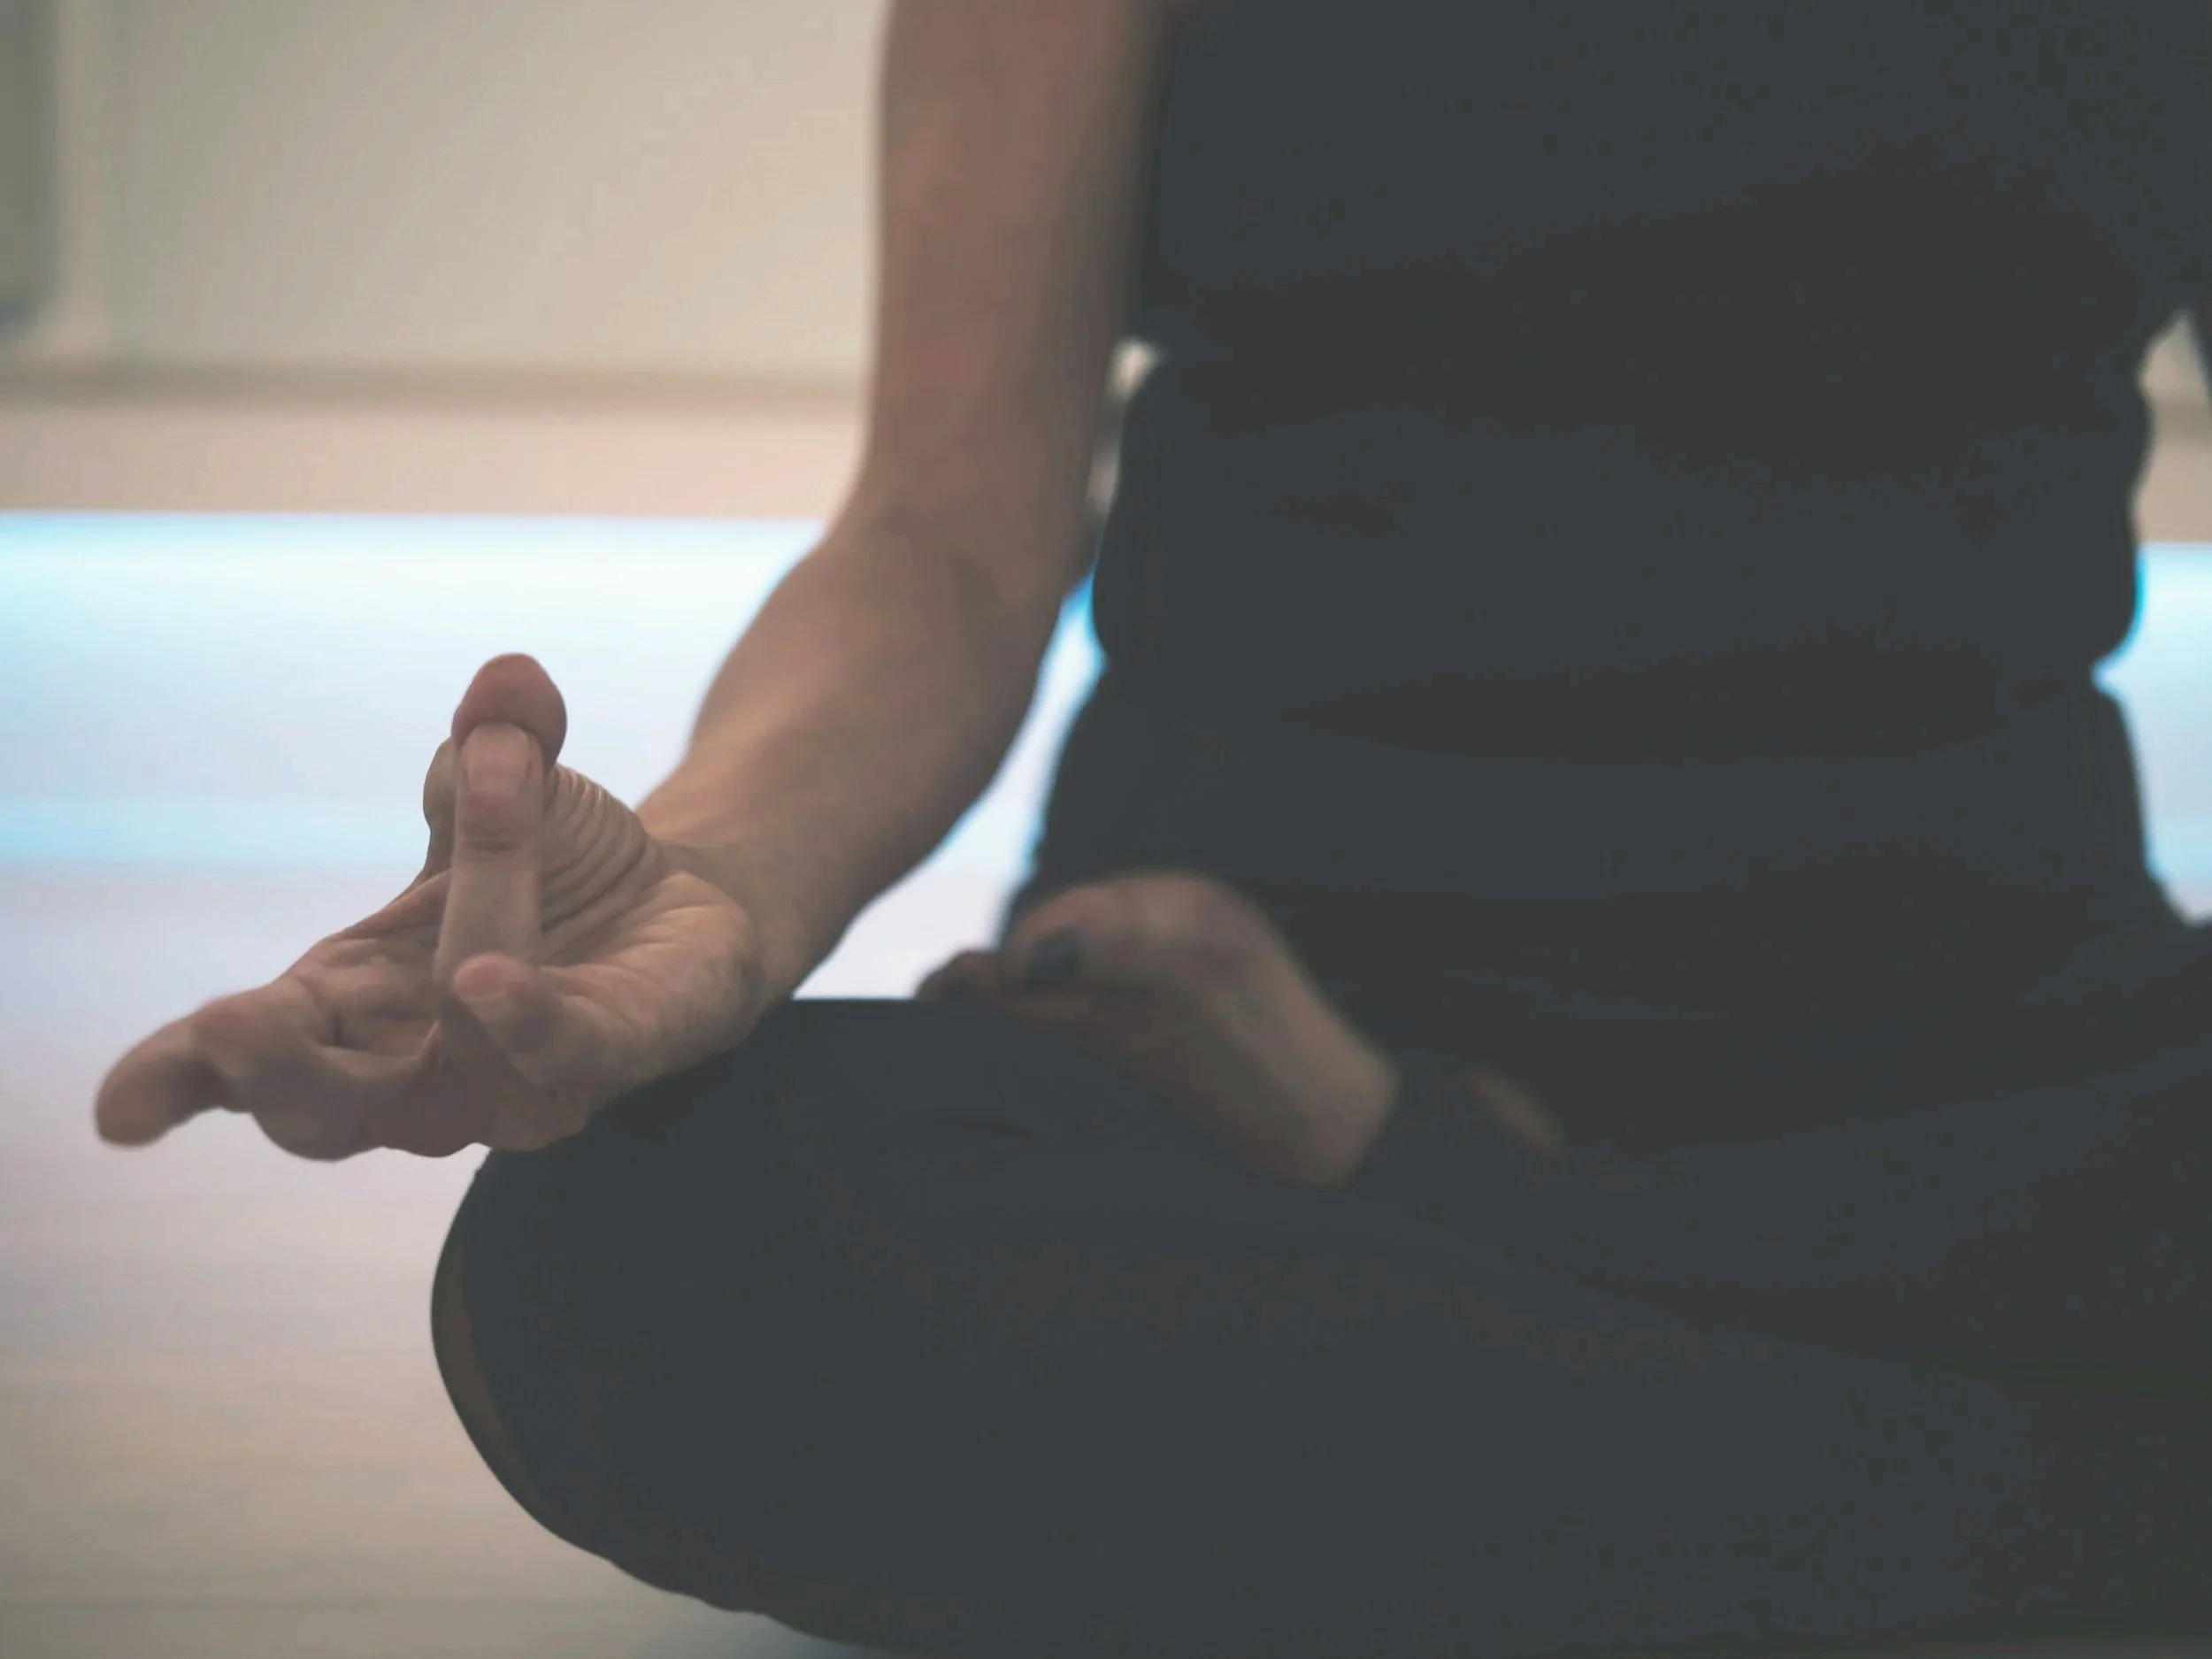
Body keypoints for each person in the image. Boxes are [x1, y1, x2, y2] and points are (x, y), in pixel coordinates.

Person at [89, 3, 2212, 1655]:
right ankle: (2040, 1492)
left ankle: (1453, 1243)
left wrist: (1412, 1166)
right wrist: (719, 882)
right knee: (633, 1260)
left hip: (1963, 1064)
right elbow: (943, 527)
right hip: (1198, 1050)